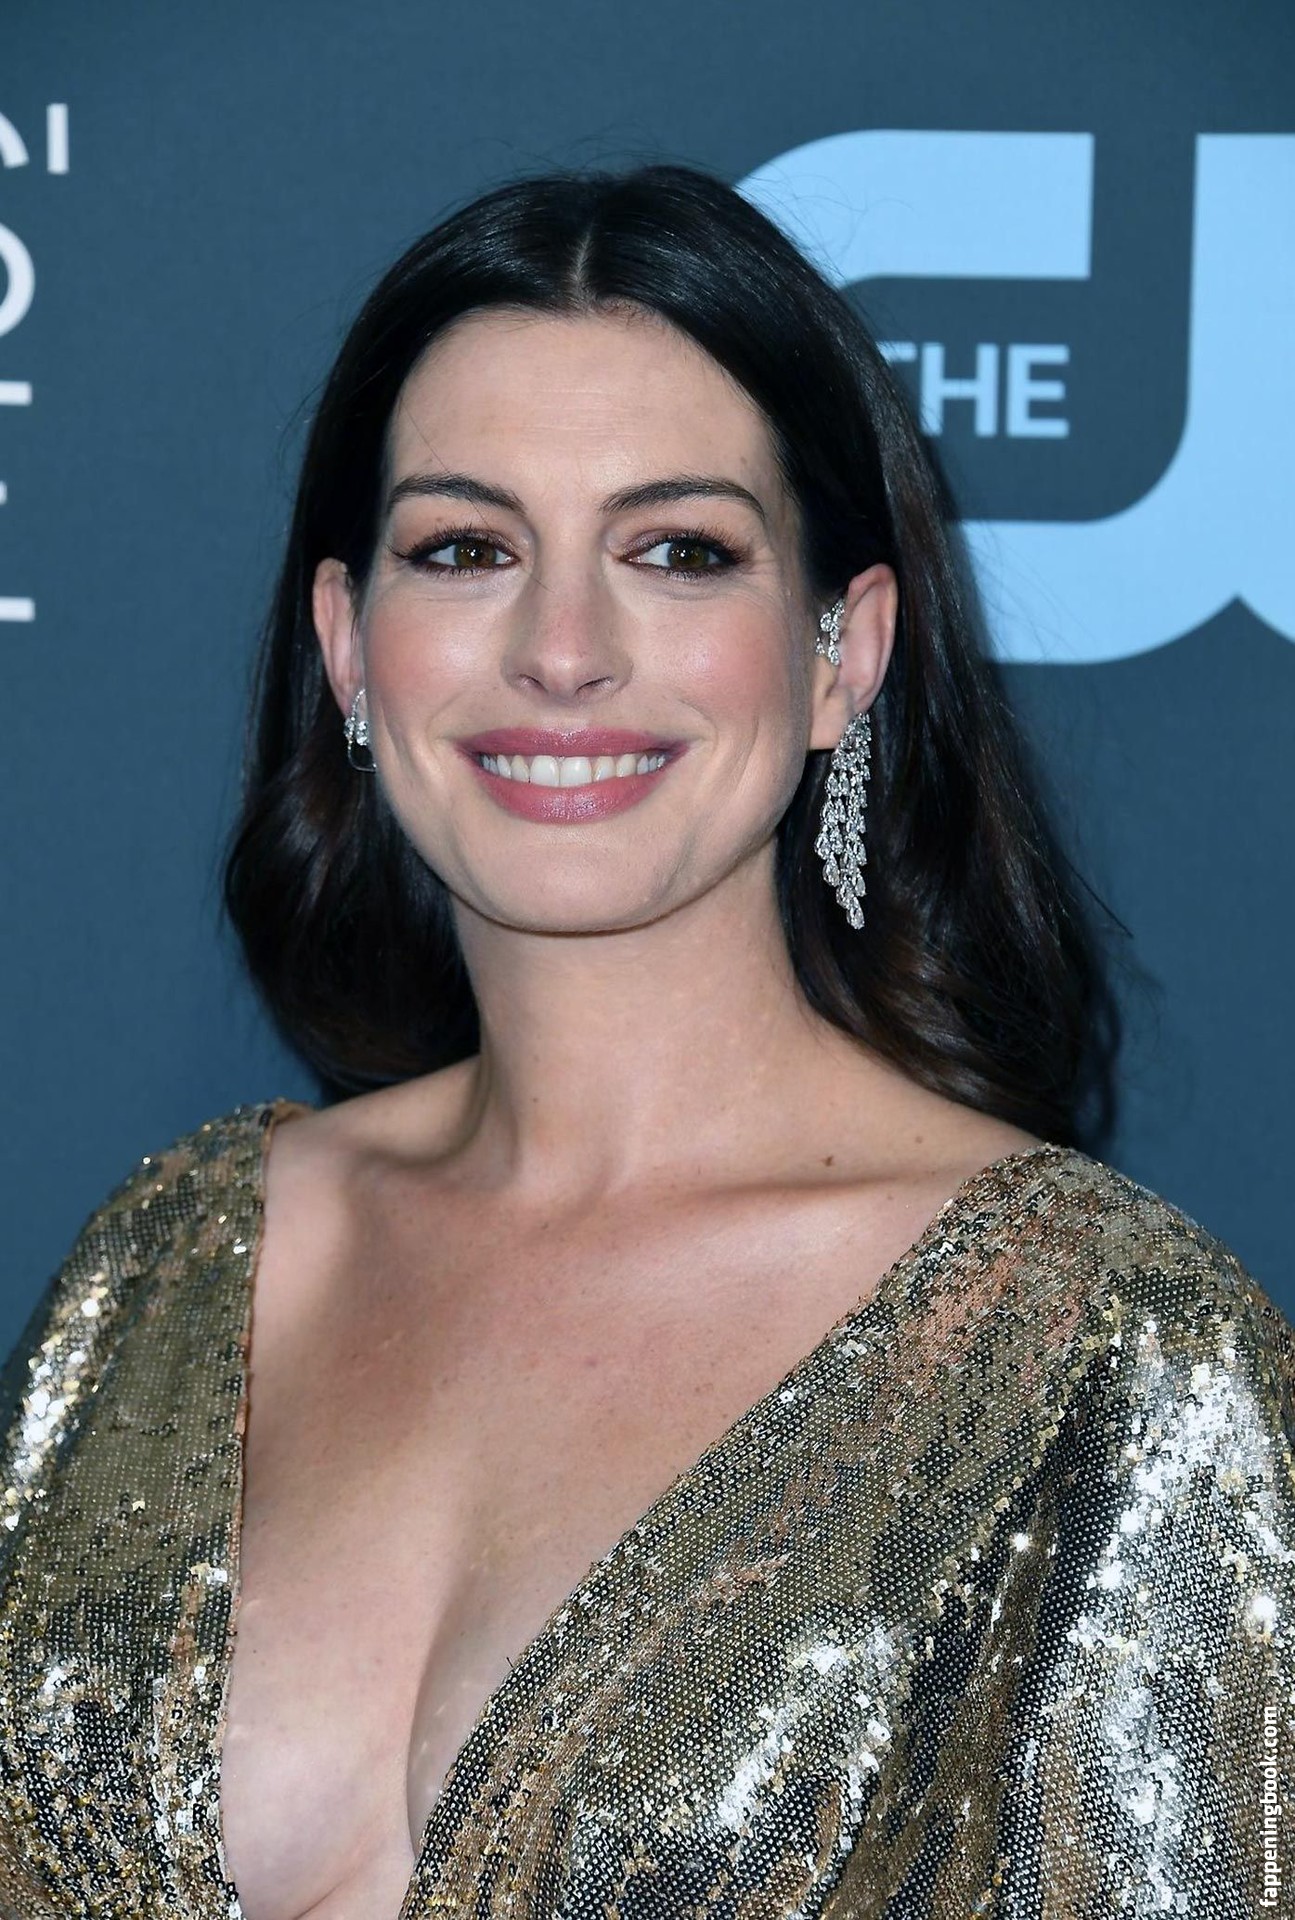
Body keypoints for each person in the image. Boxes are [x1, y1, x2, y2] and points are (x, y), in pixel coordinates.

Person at [0, 161, 1289, 1920]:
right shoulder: (165, 1268)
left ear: (844, 654)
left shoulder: (1110, 1354)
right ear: (351, 649)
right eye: (467, 550)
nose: (563, 651)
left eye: (678, 552)